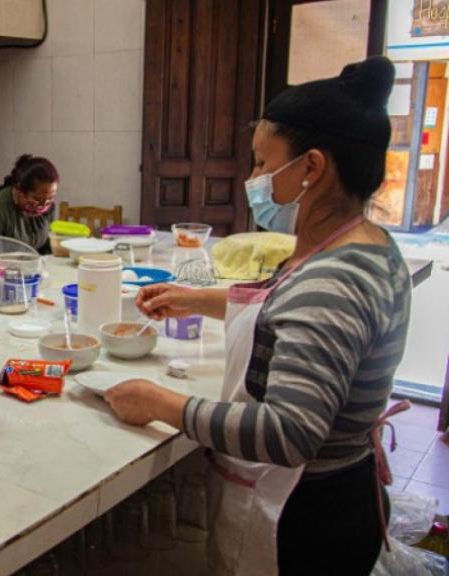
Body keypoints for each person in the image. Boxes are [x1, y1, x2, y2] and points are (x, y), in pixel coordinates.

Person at [103, 57, 410, 575]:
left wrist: (160, 403)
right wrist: (196, 299)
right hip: (340, 494)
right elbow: (288, 313)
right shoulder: (366, 245)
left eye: (263, 164)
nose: (253, 180)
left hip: (307, 519)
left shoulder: (334, 281)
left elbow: (288, 432)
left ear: (311, 168)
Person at [0, 155, 59, 253]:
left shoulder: (49, 207)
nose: (43, 205)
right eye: (37, 199)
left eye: (50, 198)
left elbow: (48, 248)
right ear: (19, 191)